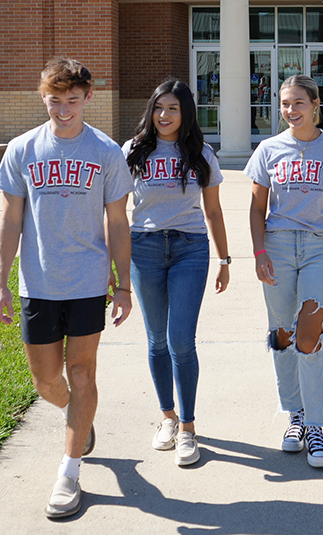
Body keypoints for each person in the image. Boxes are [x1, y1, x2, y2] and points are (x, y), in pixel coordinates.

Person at [0, 57, 133, 519]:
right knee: (46, 381)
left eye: (73, 101)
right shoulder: (23, 149)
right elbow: (12, 218)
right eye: (55, 101)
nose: (64, 110)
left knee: (84, 372)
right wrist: (1, 283)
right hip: (39, 283)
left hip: (89, 282)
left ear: (88, 97)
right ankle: (79, 415)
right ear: (43, 98)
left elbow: (117, 221)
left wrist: (124, 285)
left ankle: (69, 471)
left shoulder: (107, 152)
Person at [245, 74, 323, 468]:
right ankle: (293, 413)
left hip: (317, 248)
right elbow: (257, 207)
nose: (290, 111)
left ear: (315, 105)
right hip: (276, 247)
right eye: (284, 104)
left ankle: (315, 425)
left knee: (310, 335)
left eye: (298, 103)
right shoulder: (268, 149)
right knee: (282, 335)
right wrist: (259, 251)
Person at [123, 79, 230, 467]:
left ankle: (187, 428)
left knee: (181, 340)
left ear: (185, 114)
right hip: (144, 248)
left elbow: (214, 211)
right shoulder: (133, 151)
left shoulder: (200, 153)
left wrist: (225, 260)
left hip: (190, 248)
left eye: (172, 108)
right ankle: (166, 418)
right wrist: (114, 267)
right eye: (158, 107)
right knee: (156, 340)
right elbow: (116, 213)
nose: (164, 115)